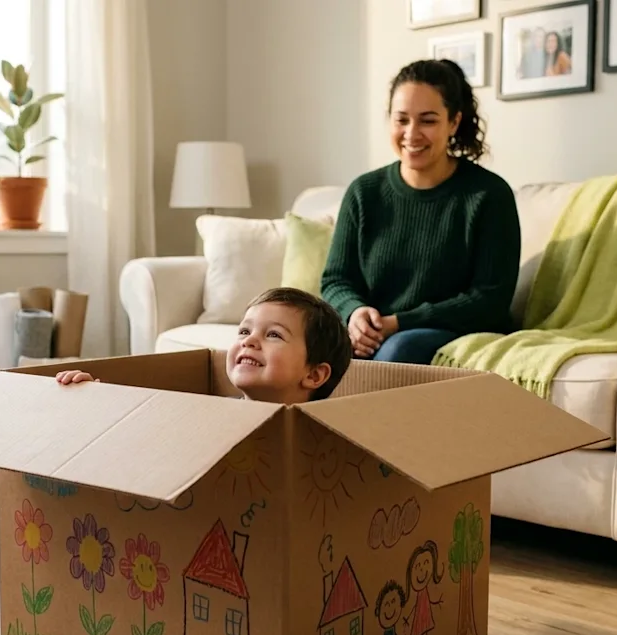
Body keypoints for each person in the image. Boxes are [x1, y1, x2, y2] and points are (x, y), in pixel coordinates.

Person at [320, 59, 521, 365]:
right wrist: (356, 313)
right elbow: (336, 280)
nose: (411, 134)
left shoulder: (489, 196)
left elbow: (489, 300)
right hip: (377, 330)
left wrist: (399, 322)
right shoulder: (363, 192)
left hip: (448, 330)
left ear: (453, 122)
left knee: (397, 351)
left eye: (427, 120)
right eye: (401, 120)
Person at [56, 287, 353, 405]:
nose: (249, 340)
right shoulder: (210, 415)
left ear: (314, 375)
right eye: (244, 331)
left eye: (273, 335)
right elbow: (144, 434)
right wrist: (97, 398)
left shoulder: (323, 440)